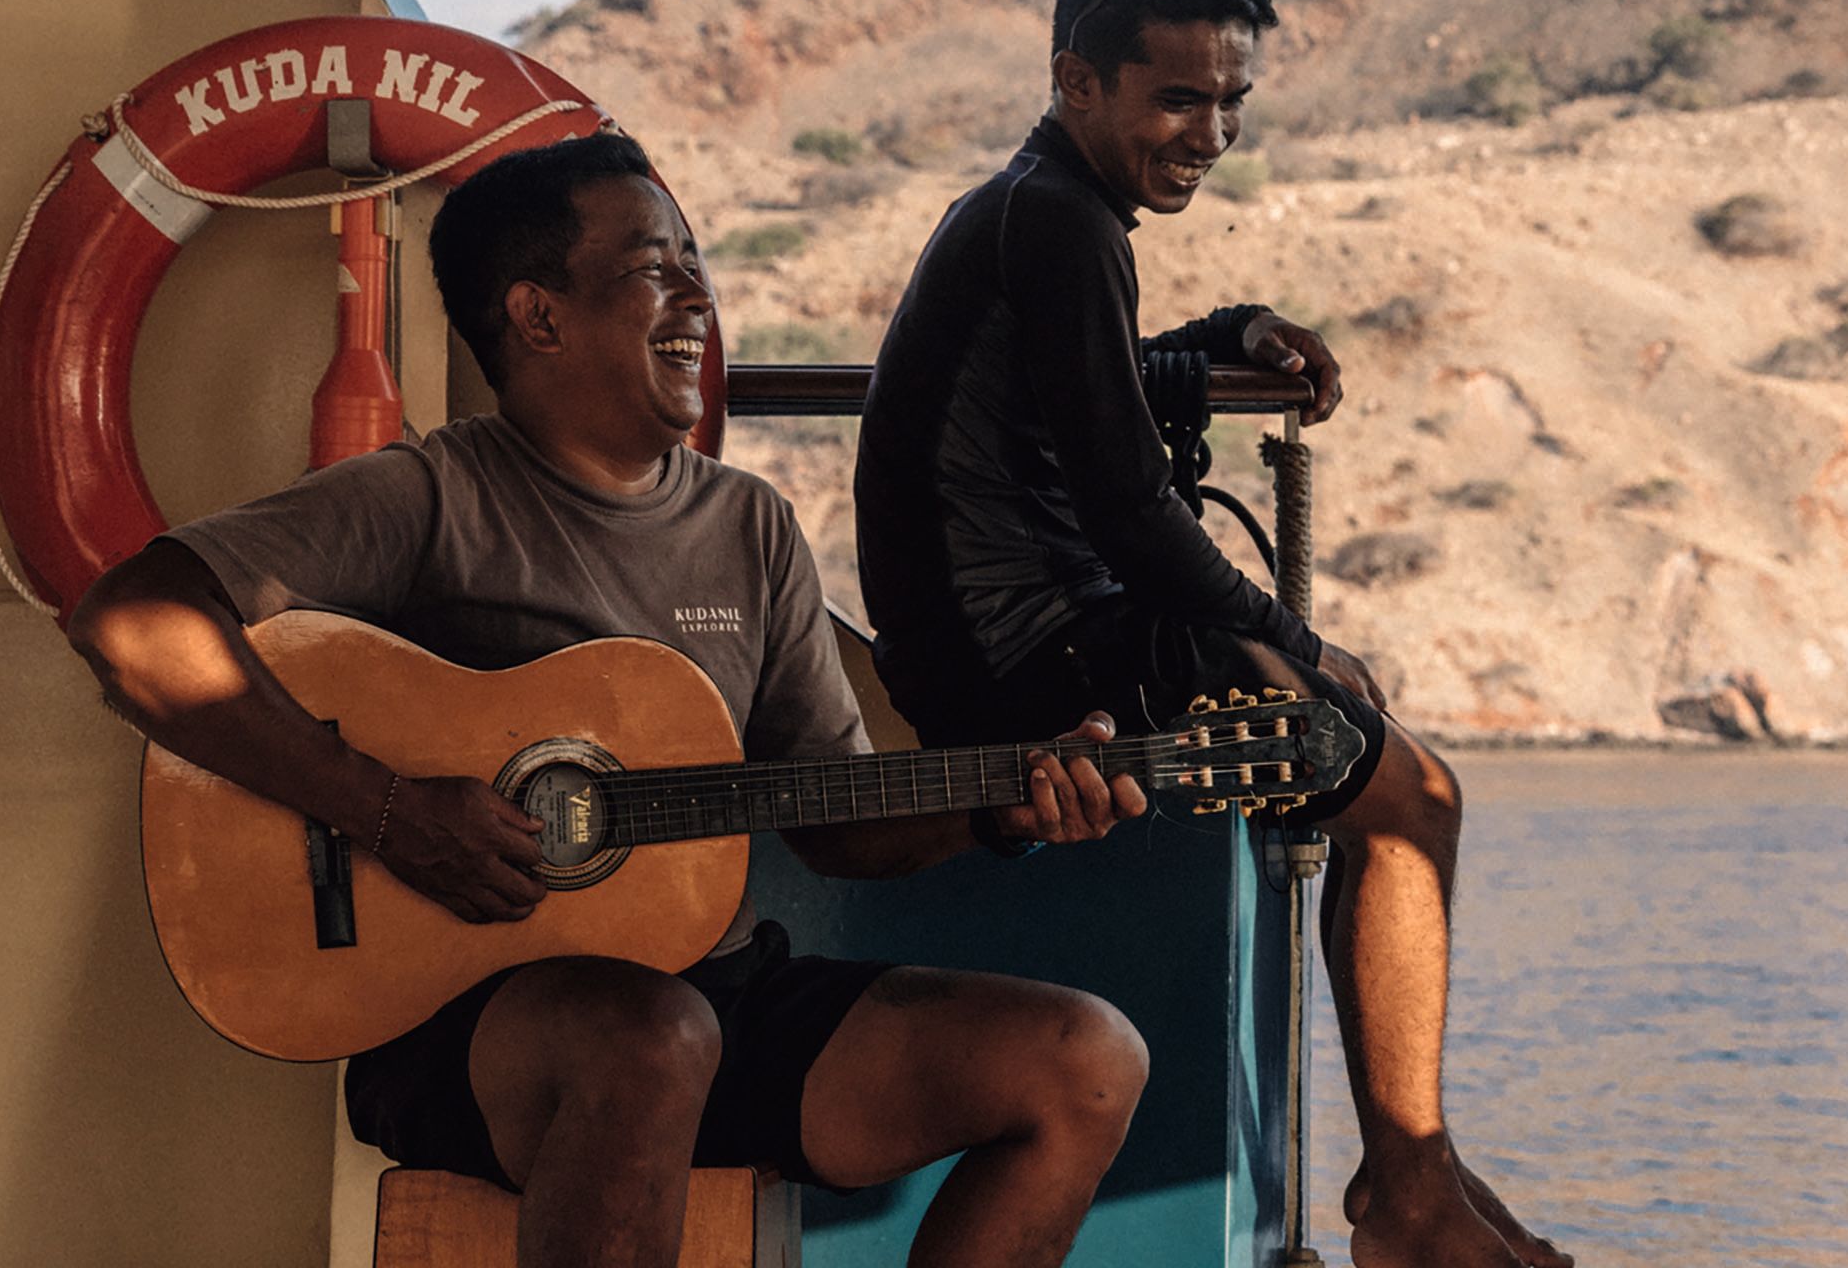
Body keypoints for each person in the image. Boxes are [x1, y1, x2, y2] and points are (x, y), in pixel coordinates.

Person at [66, 133, 1158, 1268]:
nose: (699, 293)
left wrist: (1000, 805)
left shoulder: (751, 527)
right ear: (539, 318)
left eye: (695, 260)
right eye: (654, 265)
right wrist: (384, 811)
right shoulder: (428, 498)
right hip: (474, 1031)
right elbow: (130, 623)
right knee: (651, 1038)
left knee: (1085, 1059)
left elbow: (834, 822)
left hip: (715, 998)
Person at [854, 0, 1569, 1268]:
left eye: (1230, 102)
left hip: (1027, 631)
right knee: (1409, 793)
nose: (1208, 135)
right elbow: (1127, 505)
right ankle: (1404, 1192)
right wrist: (1296, 638)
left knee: (1392, 784)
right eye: (1176, 99)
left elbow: (1093, 387)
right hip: (1027, 662)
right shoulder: (1054, 222)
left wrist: (1231, 332)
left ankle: (1412, 1177)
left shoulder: (1043, 212)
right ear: (1074, 80)